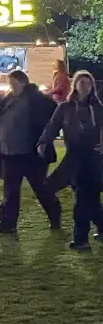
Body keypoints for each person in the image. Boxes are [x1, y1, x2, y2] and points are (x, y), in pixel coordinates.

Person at [37, 71, 103, 250]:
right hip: (74, 159)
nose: (85, 87)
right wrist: (43, 142)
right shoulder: (65, 108)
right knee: (89, 198)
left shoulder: (98, 107)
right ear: (75, 85)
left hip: (94, 159)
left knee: (84, 198)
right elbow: (52, 126)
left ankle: (81, 239)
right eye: (82, 83)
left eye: (88, 84)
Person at [0, 70, 62, 233]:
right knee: (10, 190)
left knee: (40, 188)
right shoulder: (9, 99)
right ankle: (8, 223)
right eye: (11, 84)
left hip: (30, 154)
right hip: (10, 153)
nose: (12, 87)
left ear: (23, 83)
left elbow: (51, 112)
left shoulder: (35, 99)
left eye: (14, 84)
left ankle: (54, 215)